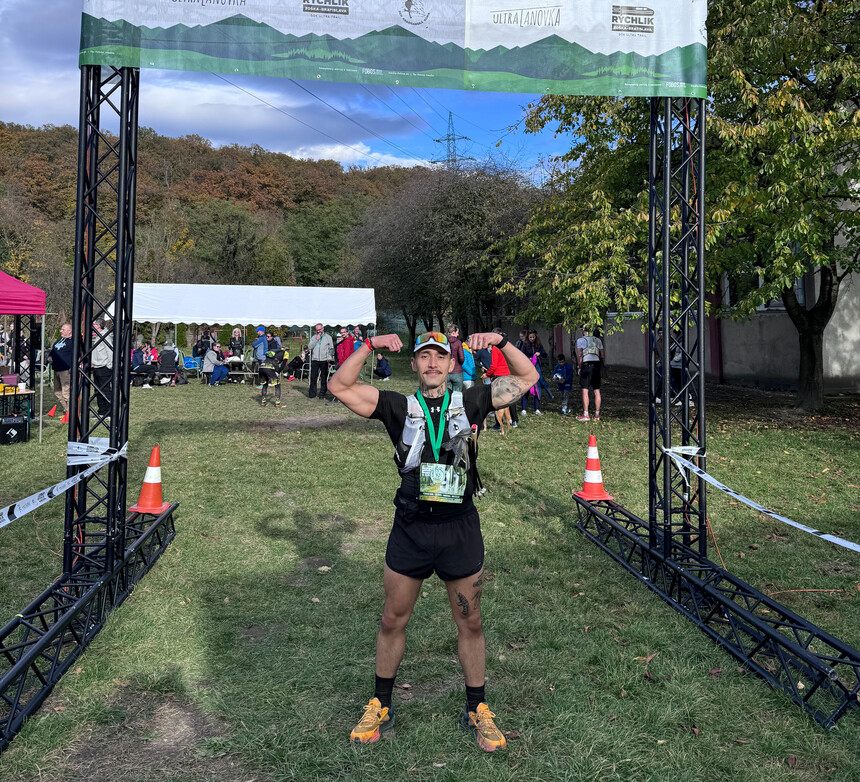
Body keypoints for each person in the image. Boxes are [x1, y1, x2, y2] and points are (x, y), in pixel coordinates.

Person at [330, 330, 538, 752]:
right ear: (414, 365)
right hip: (411, 527)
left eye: (440, 357)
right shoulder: (397, 405)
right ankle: (381, 705)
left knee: (470, 622)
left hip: (458, 528)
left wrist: (499, 342)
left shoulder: (473, 401)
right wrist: (368, 346)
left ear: (451, 364)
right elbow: (339, 385)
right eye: (424, 357)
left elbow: (528, 377)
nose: (432, 363)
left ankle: (477, 708)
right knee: (393, 619)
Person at [576, 327, 605, 421]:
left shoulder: (581, 340)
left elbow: (580, 355)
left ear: (583, 331)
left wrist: (579, 367)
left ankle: (586, 414)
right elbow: (602, 355)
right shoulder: (598, 340)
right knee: (597, 390)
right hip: (596, 364)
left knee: (585, 389)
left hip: (586, 364)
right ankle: (596, 415)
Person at [520, 330, 547, 416]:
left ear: (536, 337)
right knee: (527, 388)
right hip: (527, 369)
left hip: (536, 369)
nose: (532, 339)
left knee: (537, 388)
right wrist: (527, 358)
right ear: (528, 337)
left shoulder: (538, 345)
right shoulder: (524, 345)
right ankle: (523, 409)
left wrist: (540, 353)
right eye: (530, 337)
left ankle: (537, 409)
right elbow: (521, 355)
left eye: (533, 337)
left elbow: (545, 354)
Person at [48, 323, 74, 413]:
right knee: (57, 392)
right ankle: (66, 409)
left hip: (66, 370)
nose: (60, 331)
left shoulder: (73, 341)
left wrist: (72, 367)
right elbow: (53, 351)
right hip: (56, 369)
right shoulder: (59, 340)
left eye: (63, 329)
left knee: (66, 392)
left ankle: (70, 411)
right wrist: (50, 357)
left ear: (69, 331)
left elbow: (77, 355)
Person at [91, 319, 113, 420]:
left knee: (105, 390)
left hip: (103, 367)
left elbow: (110, 351)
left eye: (94, 324)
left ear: (99, 326)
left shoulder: (105, 336)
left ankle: (109, 412)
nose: (92, 326)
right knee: (98, 390)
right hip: (97, 367)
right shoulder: (97, 336)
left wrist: (109, 365)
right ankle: (101, 411)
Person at [308, 323, 334, 400]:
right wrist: (316, 339)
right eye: (317, 330)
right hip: (315, 359)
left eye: (319, 329)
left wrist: (329, 357)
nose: (318, 331)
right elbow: (310, 347)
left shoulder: (328, 337)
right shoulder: (314, 337)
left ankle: (322, 393)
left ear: (323, 329)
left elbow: (331, 348)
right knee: (313, 377)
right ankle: (312, 393)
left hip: (324, 360)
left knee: (323, 377)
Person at [445, 325, 466, 392]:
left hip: (446, 372)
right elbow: (461, 358)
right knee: (457, 394)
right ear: (453, 333)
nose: (458, 334)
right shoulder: (458, 342)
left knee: (447, 394)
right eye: (457, 332)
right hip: (457, 372)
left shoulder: (443, 342)